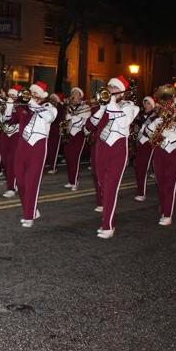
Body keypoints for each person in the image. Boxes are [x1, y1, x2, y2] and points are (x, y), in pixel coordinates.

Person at [87, 76, 138, 238]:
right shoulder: (103, 106)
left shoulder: (130, 107)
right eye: (109, 87)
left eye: (114, 88)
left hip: (117, 149)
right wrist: (101, 108)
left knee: (110, 188)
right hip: (101, 148)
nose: (110, 90)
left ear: (122, 92)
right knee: (102, 186)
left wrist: (109, 103)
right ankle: (106, 220)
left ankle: (108, 225)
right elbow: (89, 126)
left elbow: (123, 122)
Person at [4, 80, 57, 228]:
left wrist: (32, 104)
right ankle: (32, 210)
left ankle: (28, 215)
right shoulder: (23, 107)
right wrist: (9, 105)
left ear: (41, 95)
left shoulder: (49, 107)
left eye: (35, 93)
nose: (32, 95)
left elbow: (49, 118)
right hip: (22, 146)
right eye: (31, 93)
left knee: (31, 182)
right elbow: (8, 120)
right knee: (20, 183)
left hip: (38, 147)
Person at [148, 92, 176, 226]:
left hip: (174, 154)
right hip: (159, 152)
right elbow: (148, 132)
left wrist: (166, 132)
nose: (166, 107)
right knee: (160, 184)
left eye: (169, 105)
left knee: (170, 185)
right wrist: (155, 123)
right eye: (165, 105)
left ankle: (167, 214)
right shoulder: (159, 119)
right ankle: (164, 207)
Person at [63, 88, 91, 191]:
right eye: (72, 93)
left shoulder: (86, 107)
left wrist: (71, 117)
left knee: (75, 158)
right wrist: (68, 116)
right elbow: (66, 119)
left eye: (75, 93)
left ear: (80, 95)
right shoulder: (69, 106)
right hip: (69, 134)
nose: (73, 95)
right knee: (68, 157)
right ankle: (71, 181)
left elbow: (84, 121)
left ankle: (75, 181)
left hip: (79, 133)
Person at [133, 96, 157, 202]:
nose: (145, 105)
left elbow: (154, 132)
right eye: (144, 103)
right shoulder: (140, 116)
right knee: (138, 167)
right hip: (139, 144)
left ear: (152, 105)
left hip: (148, 144)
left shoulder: (156, 117)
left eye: (148, 103)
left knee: (143, 168)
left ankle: (141, 193)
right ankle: (140, 190)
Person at [0, 85, 22, 197]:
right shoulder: (5, 105)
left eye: (13, 95)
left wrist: (9, 107)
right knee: (5, 160)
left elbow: (16, 119)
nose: (11, 97)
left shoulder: (20, 106)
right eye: (10, 95)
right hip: (5, 134)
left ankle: (11, 188)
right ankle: (15, 182)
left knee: (11, 161)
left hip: (15, 134)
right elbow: (2, 119)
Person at [46, 92, 65, 174]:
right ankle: (47, 163)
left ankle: (53, 167)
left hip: (56, 130)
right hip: (47, 130)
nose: (52, 100)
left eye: (54, 99)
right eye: (51, 98)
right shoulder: (47, 105)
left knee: (54, 149)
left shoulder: (60, 107)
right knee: (47, 148)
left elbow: (59, 118)